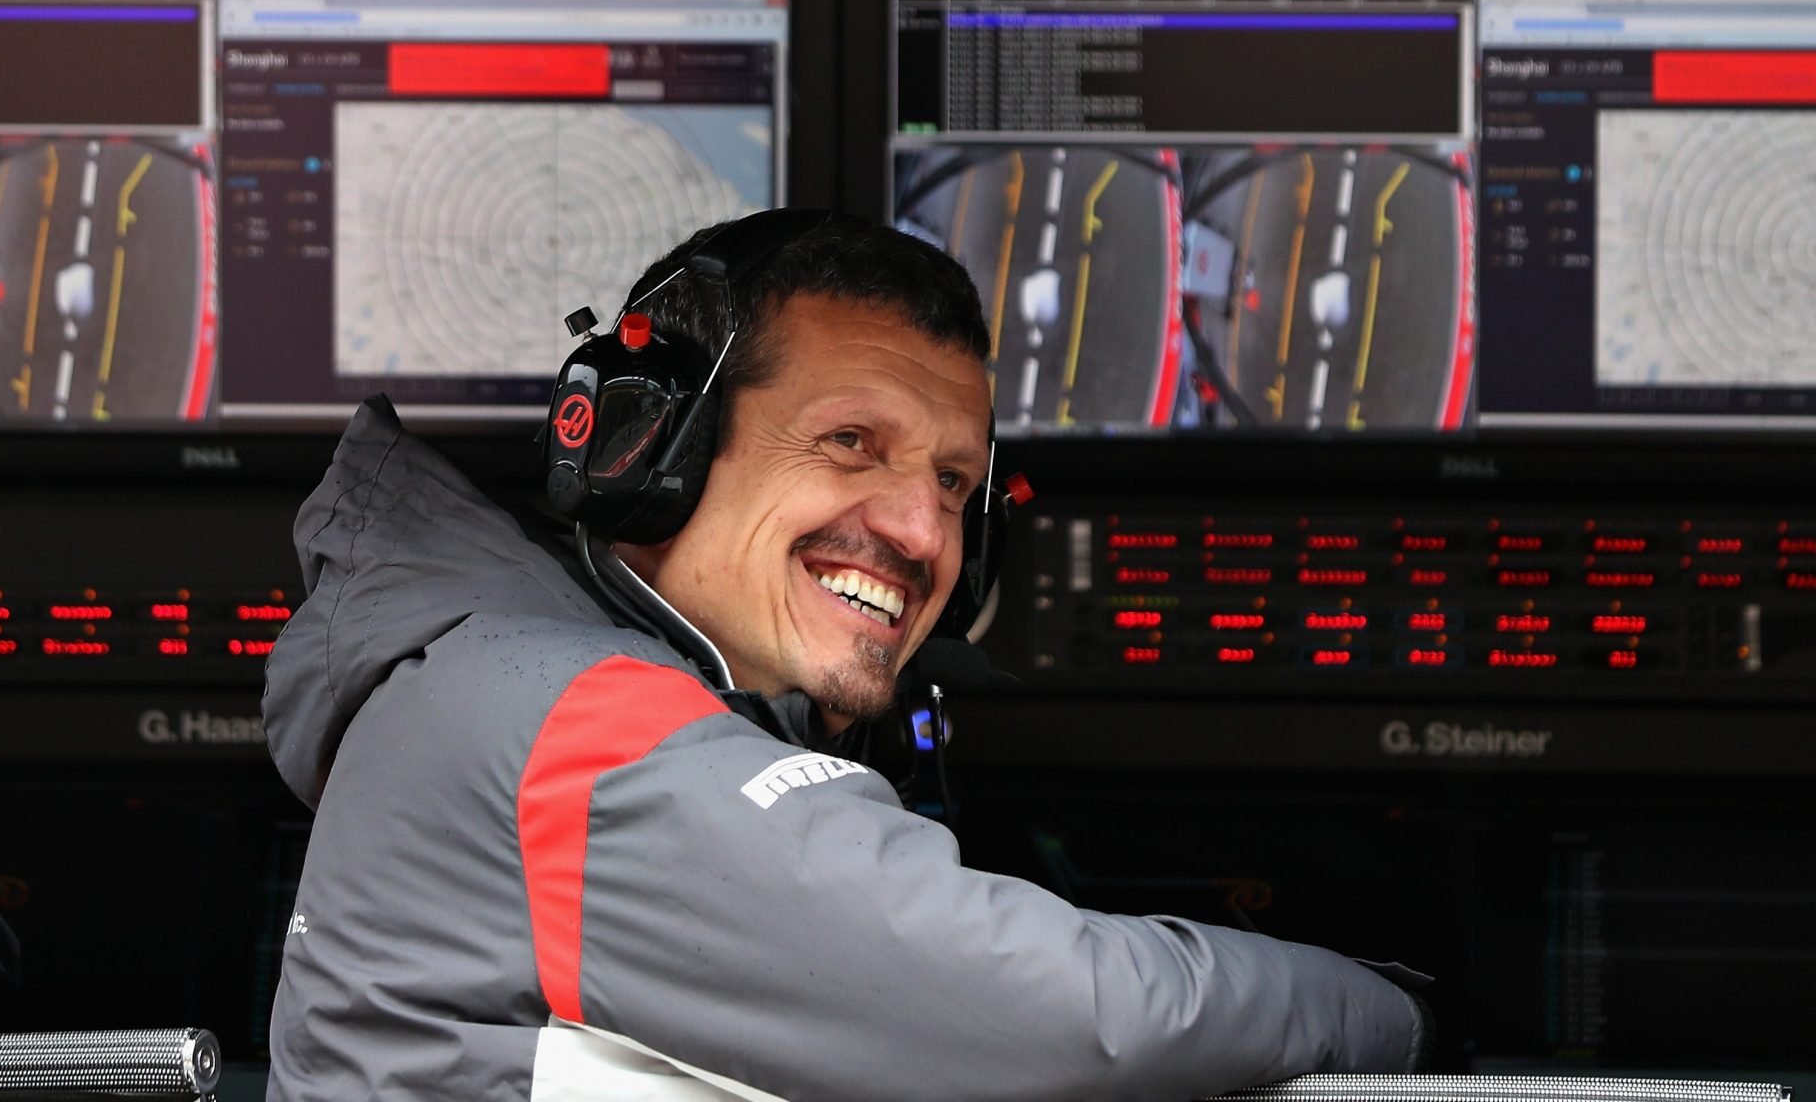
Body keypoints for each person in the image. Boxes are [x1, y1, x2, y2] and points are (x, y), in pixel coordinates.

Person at [261, 211, 1426, 1101]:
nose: (921, 533)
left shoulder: (524, 687)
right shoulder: (556, 719)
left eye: (953, 484)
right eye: (849, 442)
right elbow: (1079, 1011)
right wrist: (1404, 1021)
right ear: (647, 446)